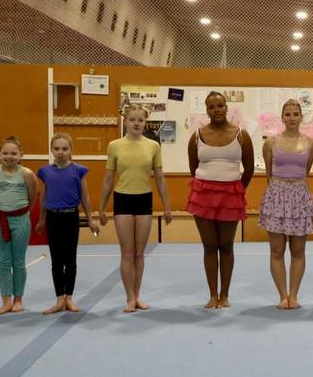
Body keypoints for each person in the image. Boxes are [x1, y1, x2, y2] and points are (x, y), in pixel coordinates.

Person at [99, 104, 172, 312]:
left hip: (144, 199)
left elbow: (160, 178)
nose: (136, 123)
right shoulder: (114, 146)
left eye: (140, 120)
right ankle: (129, 298)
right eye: (132, 119)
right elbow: (108, 179)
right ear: (126, 121)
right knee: (127, 252)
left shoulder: (153, 146)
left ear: (145, 122)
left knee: (139, 253)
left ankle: (137, 295)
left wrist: (167, 206)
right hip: (122, 199)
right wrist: (102, 207)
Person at [186, 91, 255, 309]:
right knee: (209, 246)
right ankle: (212, 295)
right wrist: (207, 185)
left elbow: (249, 169)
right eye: (211, 107)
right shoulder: (196, 136)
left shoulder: (242, 135)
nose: (216, 110)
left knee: (226, 245)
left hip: (230, 195)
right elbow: (193, 168)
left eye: (220, 105)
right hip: (203, 195)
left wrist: (236, 190)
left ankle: (225, 295)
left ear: (227, 107)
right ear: (206, 110)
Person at [259, 99, 313, 309]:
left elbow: (306, 170)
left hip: (300, 196)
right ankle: (283, 295)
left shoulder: (310, 143)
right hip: (276, 196)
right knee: (277, 251)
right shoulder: (270, 142)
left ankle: (294, 295)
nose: (292, 118)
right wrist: (279, 191)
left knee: (298, 251)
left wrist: (295, 189)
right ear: (282, 117)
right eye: (288, 114)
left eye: (295, 114)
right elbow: (268, 173)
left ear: (301, 117)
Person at [36, 132, 99, 315]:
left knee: (70, 259)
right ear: (51, 150)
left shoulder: (78, 171)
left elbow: (85, 196)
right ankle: (59, 299)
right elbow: (44, 197)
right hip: (53, 218)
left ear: (71, 150)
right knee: (56, 261)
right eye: (56, 148)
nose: (60, 152)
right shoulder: (45, 172)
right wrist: (41, 219)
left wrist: (90, 219)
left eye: (64, 148)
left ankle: (69, 298)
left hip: (70, 217)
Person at [0, 136, 38, 315]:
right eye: (5, 153)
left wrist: (21, 212)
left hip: (21, 219)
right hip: (0, 220)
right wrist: (2, 212)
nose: (9, 157)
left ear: (21, 155)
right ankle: (6, 301)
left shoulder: (27, 174)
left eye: (14, 153)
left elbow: (32, 198)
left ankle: (18, 299)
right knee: (3, 262)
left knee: (19, 261)